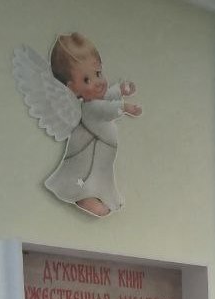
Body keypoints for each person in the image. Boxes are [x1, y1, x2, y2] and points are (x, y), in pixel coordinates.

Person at [41, 33, 141, 217]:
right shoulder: (88, 109)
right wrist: (125, 107)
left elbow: (106, 96)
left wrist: (120, 89)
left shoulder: (95, 99)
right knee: (86, 176)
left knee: (101, 174)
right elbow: (105, 109)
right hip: (87, 155)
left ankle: (105, 196)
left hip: (100, 152)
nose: (97, 82)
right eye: (87, 80)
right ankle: (82, 198)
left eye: (98, 73)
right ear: (72, 88)